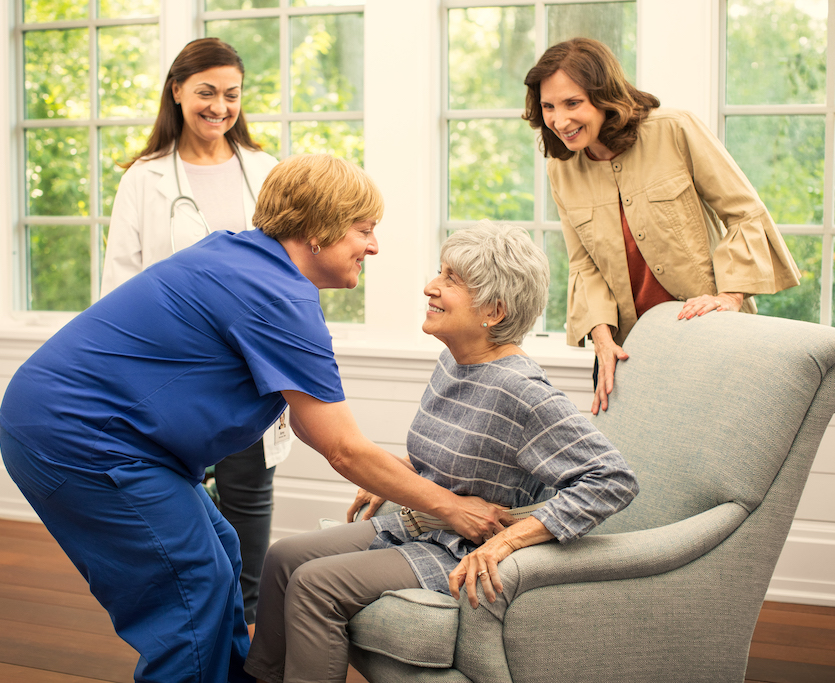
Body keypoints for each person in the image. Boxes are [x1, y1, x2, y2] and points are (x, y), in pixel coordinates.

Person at [0, 155, 514, 683]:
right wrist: (452, 508)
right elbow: (341, 447)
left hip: (86, 427)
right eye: (364, 230)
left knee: (219, 551)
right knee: (189, 586)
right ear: (318, 231)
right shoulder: (277, 296)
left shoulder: (243, 255)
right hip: (80, 436)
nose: (374, 246)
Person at [244, 221, 639, 683]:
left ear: (494, 310)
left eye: (451, 280)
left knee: (316, 586)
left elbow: (613, 479)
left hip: (457, 546)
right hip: (419, 522)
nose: (431, 286)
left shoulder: (521, 390)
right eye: (440, 272)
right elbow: (464, 449)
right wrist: (399, 474)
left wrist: (508, 539)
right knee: (283, 558)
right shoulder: (456, 359)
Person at [100, 37, 282, 630]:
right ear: (177, 91)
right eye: (206, 92)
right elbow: (117, 284)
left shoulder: (266, 171)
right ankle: (197, 611)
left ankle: (246, 624)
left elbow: (289, 267)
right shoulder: (144, 179)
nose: (219, 106)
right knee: (177, 490)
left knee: (249, 495)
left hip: (250, 363)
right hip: (171, 368)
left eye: (231, 94)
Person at [523, 38, 800, 415]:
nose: (559, 120)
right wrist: (602, 340)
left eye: (573, 103)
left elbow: (745, 213)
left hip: (710, 337)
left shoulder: (674, 129)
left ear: (604, 96)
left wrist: (730, 297)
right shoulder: (561, 169)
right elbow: (584, 264)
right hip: (627, 353)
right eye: (548, 106)